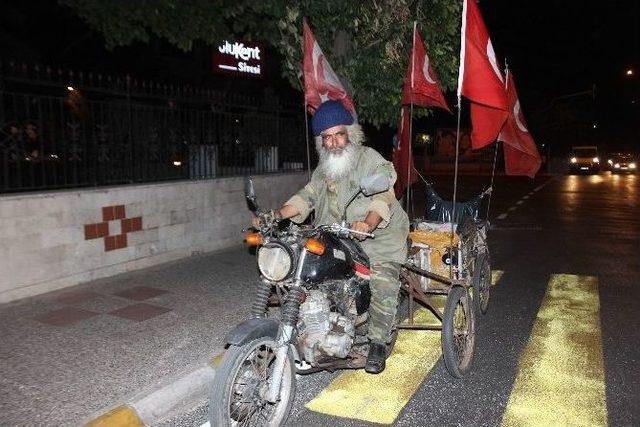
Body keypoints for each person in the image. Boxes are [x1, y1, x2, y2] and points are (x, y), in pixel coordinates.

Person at [253, 100, 409, 374]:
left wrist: (369, 223)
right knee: (305, 272)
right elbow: (307, 197)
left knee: (383, 278)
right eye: (327, 137)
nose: (334, 142)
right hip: (337, 236)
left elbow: (384, 190)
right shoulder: (324, 169)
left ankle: (377, 342)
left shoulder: (368, 158)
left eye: (339, 134)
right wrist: (276, 214)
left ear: (350, 133)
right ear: (321, 142)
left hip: (378, 237)